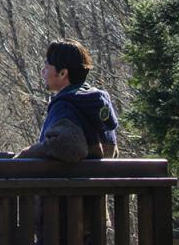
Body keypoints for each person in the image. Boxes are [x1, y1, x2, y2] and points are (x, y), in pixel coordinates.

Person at [14, 39, 118, 244]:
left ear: (63, 73)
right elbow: (110, 151)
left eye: (47, 67)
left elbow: (70, 147)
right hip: (93, 219)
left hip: (62, 220)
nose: (43, 71)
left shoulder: (66, 106)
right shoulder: (95, 106)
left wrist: (25, 156)